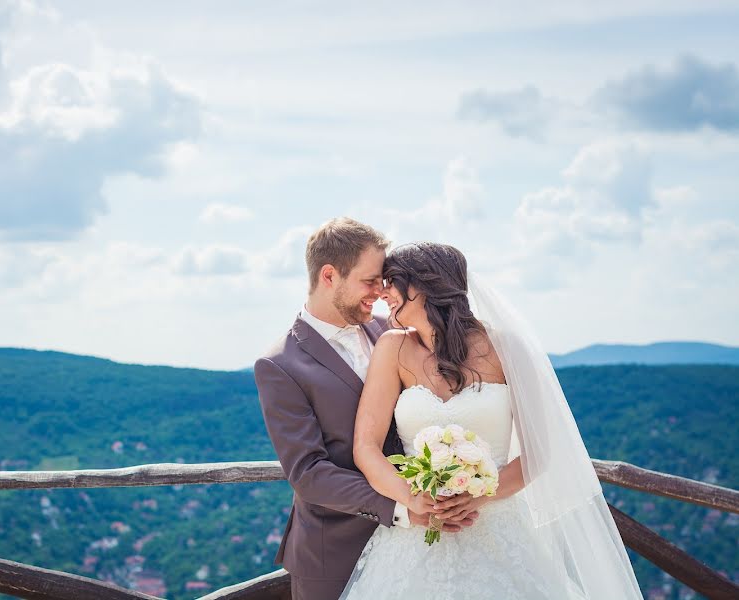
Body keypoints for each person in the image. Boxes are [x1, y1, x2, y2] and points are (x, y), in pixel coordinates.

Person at [341, 242, 642, 599]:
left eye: (392, 281)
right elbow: (365, 447)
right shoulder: (391, 348)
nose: (383, 293)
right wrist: (415, 501)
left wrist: (480, 496)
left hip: (499, 529)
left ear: (424, 285)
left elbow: (539, 453)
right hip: (416, 531)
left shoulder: (505, 347)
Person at [254, 220, 478, 600]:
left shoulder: (395, 332)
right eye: (371, 281)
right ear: (329, 276)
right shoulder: (279, 364)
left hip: (423, 545)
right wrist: (403, 505)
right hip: (335, 550)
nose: (382, 291)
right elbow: (308, 473)